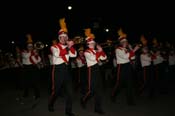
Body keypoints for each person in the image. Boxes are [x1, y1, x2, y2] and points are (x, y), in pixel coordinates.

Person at [48, 18, 77, 116]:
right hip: (58, 70)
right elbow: (57, 54)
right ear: (59, 38)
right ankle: (50, 104)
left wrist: (71, 46)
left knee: (70, 92)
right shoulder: (54, 47)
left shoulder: (67, 46)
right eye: (62, 37)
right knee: (56, 91)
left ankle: (68, 111)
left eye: (65, 37)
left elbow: (74, 55)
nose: (64, 39)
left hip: (66, 70)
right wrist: (68, 47)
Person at [111, 28, 140, 105]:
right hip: (121, 67)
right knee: (119, 84)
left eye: (126, 41)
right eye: (123, 42)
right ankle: (113, 95)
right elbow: (125, 57)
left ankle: (130, 101)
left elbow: (133, 58)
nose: (125, 43)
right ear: (120, 43)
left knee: (129, 84)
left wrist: (131, 49)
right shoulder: (118, 49)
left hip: (128, 66)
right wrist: (133, 50)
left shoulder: (127, 49)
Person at [81, 28, 107, 115]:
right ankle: (83, 100)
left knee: (99, 90)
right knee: (91, 90)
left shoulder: (96, 51)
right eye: (91, 43)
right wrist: (99, 52)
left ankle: (97, 108)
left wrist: (101, 51)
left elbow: (104, 58)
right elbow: (93, 59)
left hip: (97, 70)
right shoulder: (86, 52)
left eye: (93, 43)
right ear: (88, 44)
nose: (92, 44)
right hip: (91, 70)